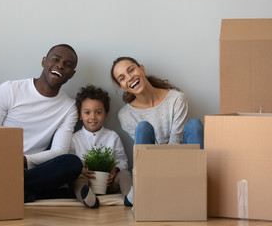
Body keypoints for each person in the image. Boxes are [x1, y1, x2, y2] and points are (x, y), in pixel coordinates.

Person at [0, 44, 83, 202]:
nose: (60, 65)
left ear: (72, 74)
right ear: (44, 61)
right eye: (55, 59)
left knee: (73, 163)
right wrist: (6, 160)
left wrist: (23, 160)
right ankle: (28, 193)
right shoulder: (9, 89)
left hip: (32, 169)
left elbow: (59, 151)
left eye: (68, 65)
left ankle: (11, 190)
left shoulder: (69, 107)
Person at [111, 57, 204, 205]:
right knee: (143, 127)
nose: (130, 78)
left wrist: (171, 175)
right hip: (152, 168)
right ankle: (140, 188)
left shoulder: (177, 99)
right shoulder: (125, 115)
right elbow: (146, 151)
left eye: (131, 70)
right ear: (122, 86)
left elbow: (176, 140)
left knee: (194, 124)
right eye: (122, 78)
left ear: (142, 69)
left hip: (182, 163)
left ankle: (197, 187)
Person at [69, 84, 132, 208]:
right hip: (86, 180)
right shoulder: (74, 138)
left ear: (105, 114)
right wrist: (81, 170)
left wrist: (115, 170)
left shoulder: (112, 136)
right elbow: (70, 161)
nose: (92, 117)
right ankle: (87, 198)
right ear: (80, 115)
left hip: (109, 183)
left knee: (125, 174)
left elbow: (122, 160)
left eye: (98, 112)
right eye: (87, 112)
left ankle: (129, 196)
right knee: (78, 181)